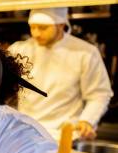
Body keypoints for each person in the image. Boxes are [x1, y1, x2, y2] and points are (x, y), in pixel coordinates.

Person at [9, 8, 113, 140]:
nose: (36, 33)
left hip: (63, 137)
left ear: (61, 25)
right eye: (32, 27)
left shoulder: (85, 52)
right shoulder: (19, 49)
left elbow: (99, 94)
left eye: (43, 28)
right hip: (25, 134)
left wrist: (87, 120)